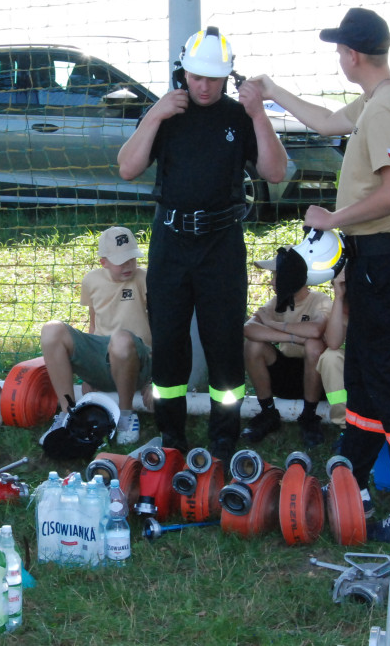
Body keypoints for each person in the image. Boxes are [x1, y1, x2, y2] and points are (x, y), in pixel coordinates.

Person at [249, 8, 390, 542]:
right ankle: (350, 480)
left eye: (339, 50)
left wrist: (332, 219)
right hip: (374, 260)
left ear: (353, 55)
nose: (338, 57)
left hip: (388, 260)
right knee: (360, 372)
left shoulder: (384, 110)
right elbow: (327, 121)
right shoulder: (381, 99)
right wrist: (271, 91)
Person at [117, 26, 288, 460]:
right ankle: (171, 434)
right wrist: (154, 115)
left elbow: (275, 172)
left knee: (224, 343)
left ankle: (224, 433)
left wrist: (259, 115)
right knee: (170, 342)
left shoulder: (237, 116)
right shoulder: (166, 114)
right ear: (183, 73)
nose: (203, 86)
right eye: (196, 77)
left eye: (213, 78)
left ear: (227, 76)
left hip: (221, 243)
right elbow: (127, 168)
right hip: (171, 242)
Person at [40, 226, 152, 445]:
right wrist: (88, 375)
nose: (128, 265)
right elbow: (93, 324)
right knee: (51, 329)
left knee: (120, 339)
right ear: (104, 262)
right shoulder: (91, 281)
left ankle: (126, 415)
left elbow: (161, 326)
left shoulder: (145, 278)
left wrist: (155, 380)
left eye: (132, 258)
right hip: (103, 355)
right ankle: (68, 415)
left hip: (138, 358)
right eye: (121, 260)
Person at [242, 248, 332, 448]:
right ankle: (268, 414)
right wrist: (293, 337)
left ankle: (309, 417)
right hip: (286, 375)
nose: (271, 281)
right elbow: (249, 329)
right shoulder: (277, 302)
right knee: (253, 345)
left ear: (289, 278)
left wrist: (274, 324)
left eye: (275, 276)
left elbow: (316, 329)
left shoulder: (320, 300)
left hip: (317, 377)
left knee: (314, 346)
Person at [318, 268, 349, 450]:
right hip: (355, 367)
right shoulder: (342, 305)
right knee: (330, 358)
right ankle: (348, 427)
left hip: (380, 365)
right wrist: (339, 297)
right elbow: (333, 342)